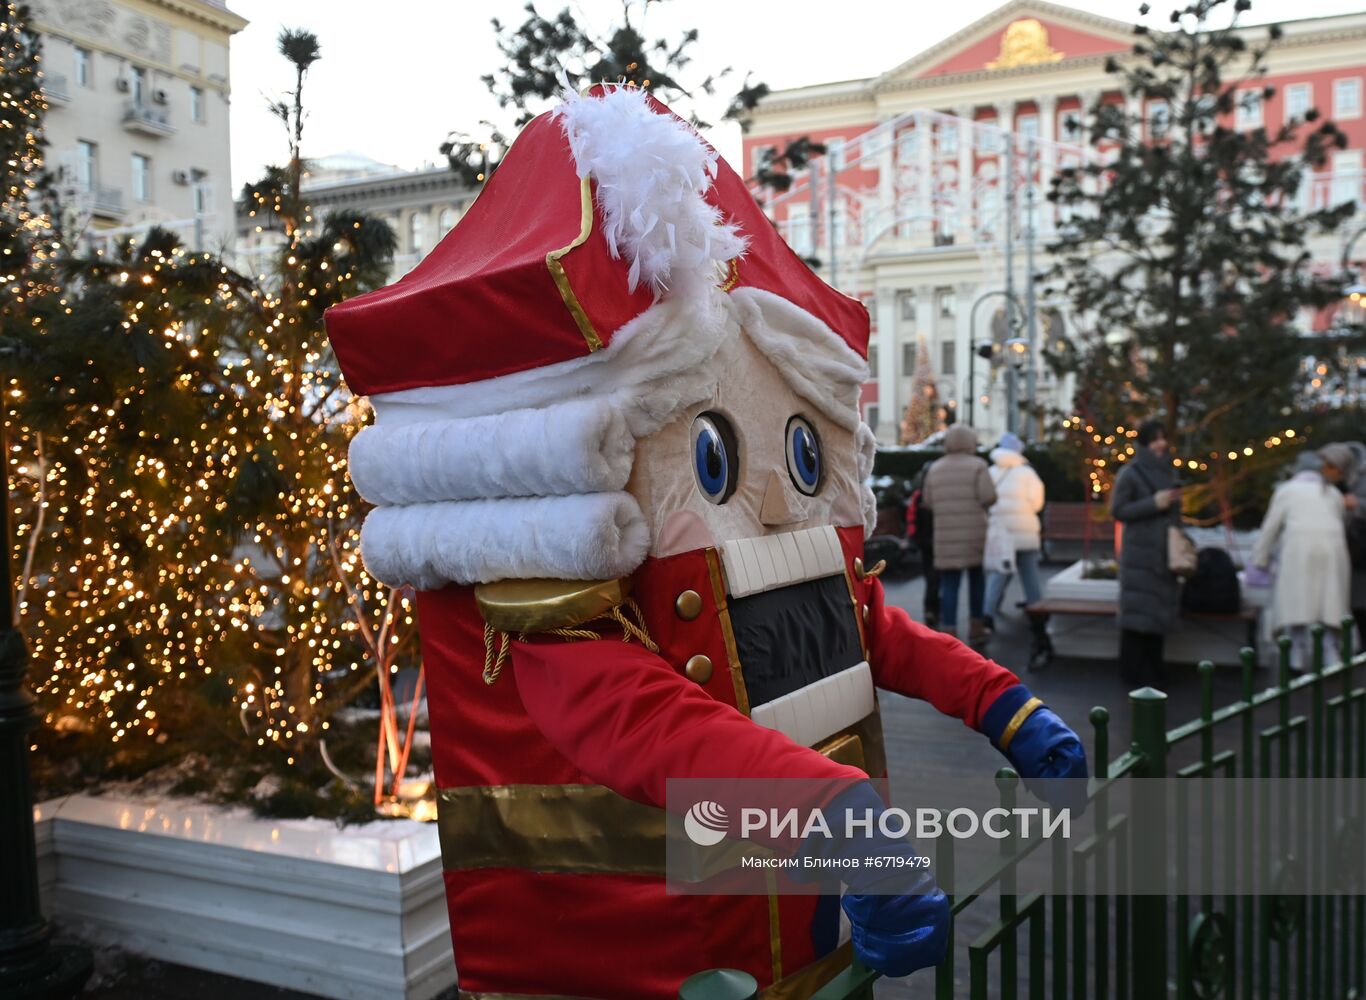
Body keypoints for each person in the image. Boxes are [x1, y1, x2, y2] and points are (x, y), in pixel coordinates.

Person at [324, 85, 1088, 997]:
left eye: (804, 451)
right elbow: (632, 718)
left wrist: (1002, 707)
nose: (773, 496)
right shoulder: (558, 596)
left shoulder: (781, 549)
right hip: (665, 957)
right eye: (718, 456)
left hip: (795, 930)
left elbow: (870, 631)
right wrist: (839, 815)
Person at [1251, 451, 1350, 669]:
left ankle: (1295, 652)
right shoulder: (1332, 492)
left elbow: (1270, 528)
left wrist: (1260, 558)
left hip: (1298, 550)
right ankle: (1330, 651)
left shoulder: (1286, 491)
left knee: (1296, 601)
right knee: (1328, 601)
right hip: (1332, 551)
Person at [1111, 419, 1181, 688]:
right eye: (1154, 439)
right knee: (1136, 616)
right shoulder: (1130, 473)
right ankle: (1131, 673)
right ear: (1144, 444)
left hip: (1163, 554)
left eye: (1163, 437)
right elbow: (1118, 510)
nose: (1161, 443)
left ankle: (1155, 670)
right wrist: (1155, 503)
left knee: (1158, 614)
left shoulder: (1171, 472)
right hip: (1139, 555)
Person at [922, 424, 997, 641]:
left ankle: (949, 629)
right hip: (974, 534)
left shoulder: (935, 468)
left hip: (945, 536)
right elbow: (988, 497)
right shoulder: (978, 466)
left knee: (949, 583)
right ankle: (976, 626)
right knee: (976, 580)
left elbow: (927, 501)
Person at [982, 431, 1047, 630]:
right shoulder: (1028, 473)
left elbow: (984, 501)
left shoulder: (990, 472)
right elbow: (1037, 503)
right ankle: (1037, 613)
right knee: (1030, 574)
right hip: (1026, 531)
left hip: (1001, 532)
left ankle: (988, 614)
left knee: (999, 573)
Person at [1319, 441, 1366, 649]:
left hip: (1362, 551)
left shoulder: (1361, 481)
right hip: (1347, 551)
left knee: (1361, 603)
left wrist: (1357, 505)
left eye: (1331, 466)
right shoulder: (1330, 483)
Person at [906, 464, 940, 626]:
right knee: (937, 578)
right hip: (936, 542)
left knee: (931, 578)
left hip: (926, 542)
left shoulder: (918, 495)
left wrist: (914, 538)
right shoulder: (939, 494)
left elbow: (912, 519)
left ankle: (931, 610)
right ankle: (934, 609)